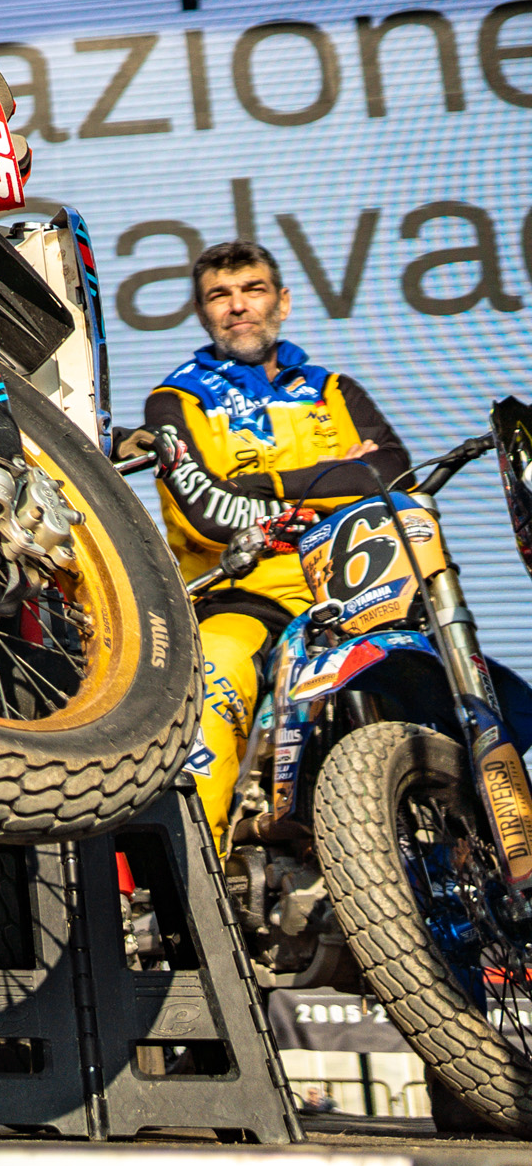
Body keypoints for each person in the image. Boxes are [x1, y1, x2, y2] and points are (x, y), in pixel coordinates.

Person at [141, 241, 413, 850]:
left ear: (282, 302)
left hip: (358, 587)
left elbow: (394, 476)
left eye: (253, 290)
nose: (238, 306)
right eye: (220, 295)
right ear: (202, 312)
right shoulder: (174, 400)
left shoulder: (333, 389)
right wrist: (337, 479)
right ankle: (201, 878)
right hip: (244, 597)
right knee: (214, 676)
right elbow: (209, 515)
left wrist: (264, 486)